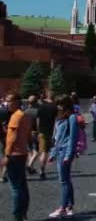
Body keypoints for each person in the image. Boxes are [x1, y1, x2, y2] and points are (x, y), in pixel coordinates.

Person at [48, 95, 79, 219]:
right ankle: (69, 206)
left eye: (60, 104)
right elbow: (57, 138)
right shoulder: (60, 117)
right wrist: (52, 154)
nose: (58, 106)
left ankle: (63, 207)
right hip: (60, 150)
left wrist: (68, 154)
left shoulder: (72, 117)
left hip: (65, 151)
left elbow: (72, 138)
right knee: (66, 179)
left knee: (63, 180)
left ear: (65, 105)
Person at [2, 93, 32, 221]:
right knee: (22, 186)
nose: (6, 103)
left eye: (8, 101)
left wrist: (7, 155)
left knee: (15, 188)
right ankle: (23, 213)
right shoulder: (24, 115)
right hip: (22, 152)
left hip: (14, 154)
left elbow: (12, 139)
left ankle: (17, 216)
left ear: (16, 102)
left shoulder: (15, 116)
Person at [37, 91, 57, 180]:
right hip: (51, 131)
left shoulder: (41, 106)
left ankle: (41, 169)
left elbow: (38, 119)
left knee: (43, 151)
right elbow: (56, 121)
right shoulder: (55, 107)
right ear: (53, 97)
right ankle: (42, 170)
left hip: (42, 131)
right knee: (46, 151)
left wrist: (38, 130)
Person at [24, 95, 40, 176]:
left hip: (26, 132)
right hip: (34, 132)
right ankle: (29, 165)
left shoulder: (25, 111)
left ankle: (31, 168)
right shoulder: (38, 111)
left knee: (30, 150)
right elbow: (38, 124)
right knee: (37, 151)